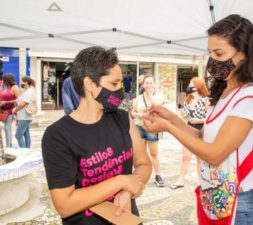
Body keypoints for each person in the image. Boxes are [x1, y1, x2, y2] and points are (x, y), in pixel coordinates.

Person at [143, 14, 253, 225]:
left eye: (219, 53)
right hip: (219, 199)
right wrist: (172, 118)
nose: (212, 60)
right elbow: (202, 138)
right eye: (210, 52)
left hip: (242, 206)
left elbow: (214, 154)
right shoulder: (224, 91)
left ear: (244, 53)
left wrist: (167, 127)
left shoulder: (251, 96)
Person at [42, 46, 151, 225]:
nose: (119, 91)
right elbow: (64, 205)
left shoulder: (123, 118)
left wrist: (127, 192)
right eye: (114, 84)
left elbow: (144, 164)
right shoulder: (57, 136)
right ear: (90, 84)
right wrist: (120, 182)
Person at [170, 77, 209, 189]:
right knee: (185, 156)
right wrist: (183, 114)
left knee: (199, 158)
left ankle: (201, 181)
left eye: (192, 85)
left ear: (198, 87)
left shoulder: (205, 100)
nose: (189, 87)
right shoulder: (189, 99)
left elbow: (211, 117)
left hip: (201, 129)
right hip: (188, 128)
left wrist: (200, 120)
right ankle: (181, 179)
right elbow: (184, 114)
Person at [131, 75, 165, 187]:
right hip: (139, 127)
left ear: (154, 84)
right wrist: (139, 114)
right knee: (140, 153)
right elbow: (133, 112)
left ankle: (158, 175)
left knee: (153, 153)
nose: (149, 85)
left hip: (152, 128)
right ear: (143, 84)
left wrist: (150, 95)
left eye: (151, 83)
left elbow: (157, 107)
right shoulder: (138, 98)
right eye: (147, 83)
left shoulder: (159, 96)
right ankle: (139, 176)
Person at [12, 76, 35, 148]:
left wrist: (15, 110)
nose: (20, 83)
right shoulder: (26, 91)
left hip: (24, 117)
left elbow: (23, 104)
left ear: (26, 82)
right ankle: (28, 150)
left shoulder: (29, 91)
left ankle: (23, 151)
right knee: (26, 135)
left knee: (18, 135)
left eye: (22, 82)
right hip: (23, 116)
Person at [0, 73, 20, 147]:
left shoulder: (15, 87)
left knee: (7, 128)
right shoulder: (6, 87)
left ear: (7, 80)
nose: (2, 81)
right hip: (3, 111)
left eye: (4, 79)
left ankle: (9, 146)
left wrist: (6, 102)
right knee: (6, 128)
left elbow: (18, 100)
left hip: (10, 111)